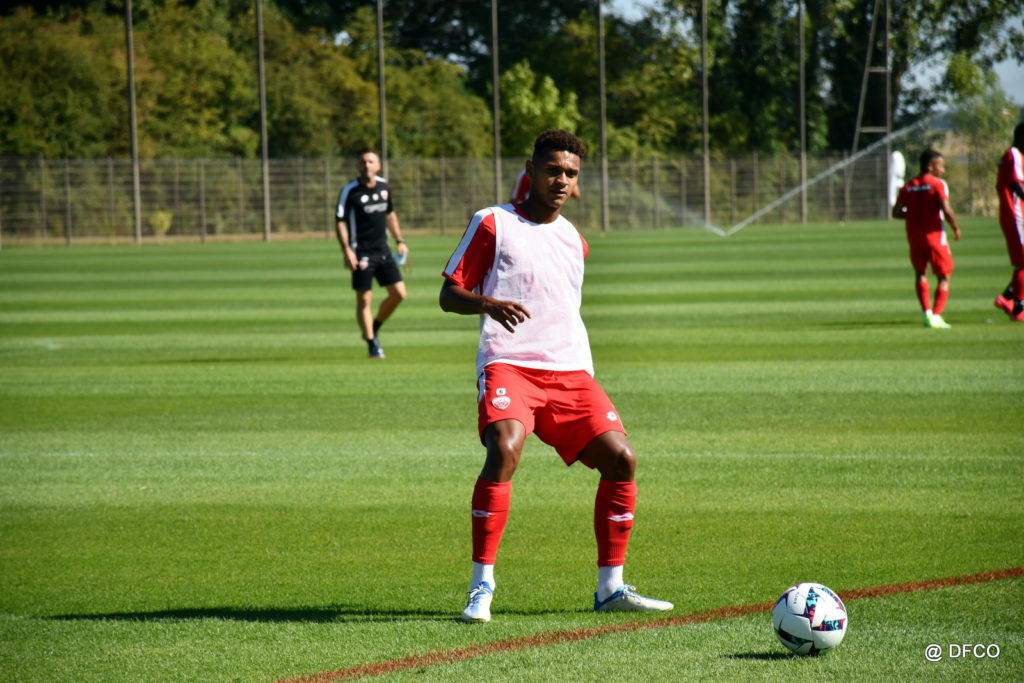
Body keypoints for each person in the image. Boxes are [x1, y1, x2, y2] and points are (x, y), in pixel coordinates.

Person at [440, 129, 673, 623]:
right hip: (509, 364)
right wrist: (488, 303)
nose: (561, 180)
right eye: (552, 170)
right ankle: (482, 586)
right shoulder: (493, 222)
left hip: (570, 372)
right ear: (531, 170)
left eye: (570, 173)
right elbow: (449, 294)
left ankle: (610, 588)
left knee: (622, 459)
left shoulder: (574, 241)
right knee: (504, 447)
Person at [335, 148, 409, 358]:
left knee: (399, 294)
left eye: (370, 161)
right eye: (363, 162)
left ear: (378, 165)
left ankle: (373, 327)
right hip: (361, 253)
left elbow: (390, 214)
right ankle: (372, 344)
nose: (366, 165)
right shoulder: (350, 190)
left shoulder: (384, 186)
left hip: (383, 250)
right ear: (358, 166)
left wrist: (399, 240)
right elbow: (340, 221)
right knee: (365, 300)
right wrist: (347, 250)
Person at [891, 149, 962, 328]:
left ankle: (926, 313)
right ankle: (936, 315)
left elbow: (896, 212)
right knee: (944, 276)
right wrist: (955, 227)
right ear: (930, 166)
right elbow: (946, 209)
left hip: (914, 237)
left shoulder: (908, 186)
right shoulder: (937, 184)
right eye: (941, 166)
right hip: (935, 237)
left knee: (920, 273)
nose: (943, 170)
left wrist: (913, 215)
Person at [993, 122, 1024, 322]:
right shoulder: (1014, 154)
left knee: (1021, 263)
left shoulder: (1015, 156)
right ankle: (1018, 308)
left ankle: (1006, 298)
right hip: (1016, 214)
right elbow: (1016, 185)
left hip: (1015, 214)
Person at [509, 167, 581, 204]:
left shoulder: (564, 177)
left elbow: (576, 194)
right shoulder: (525, 175)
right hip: (528, 217)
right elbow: (514, 200)